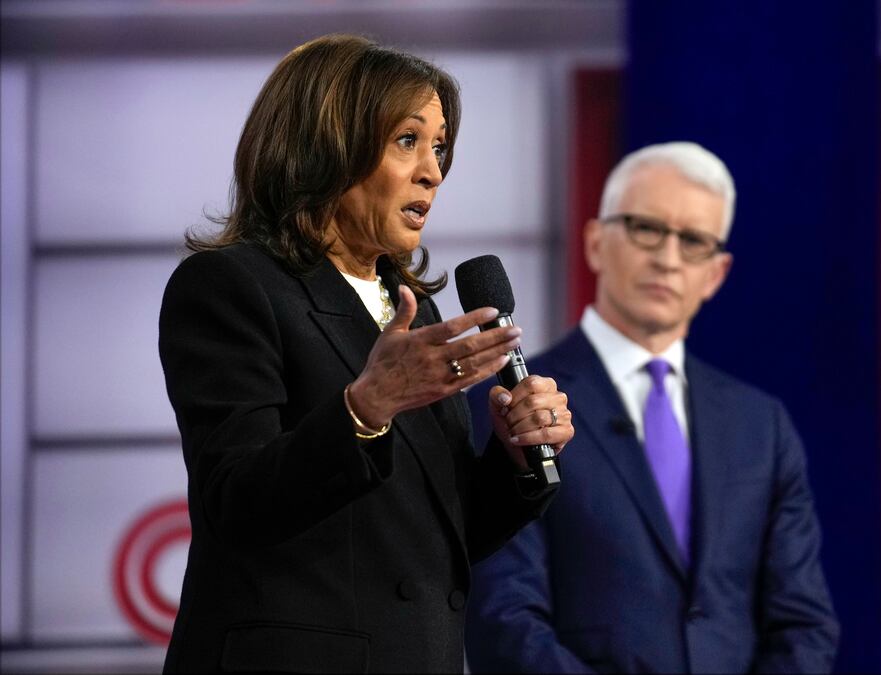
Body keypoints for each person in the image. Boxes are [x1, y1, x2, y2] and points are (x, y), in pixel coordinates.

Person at [157, 34, 573, 673]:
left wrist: (512, 461)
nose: (433, 169)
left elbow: (429, 543)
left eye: (439, 147)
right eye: (407, 140)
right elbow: (235, 504)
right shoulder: (232, 286)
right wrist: (365, 407)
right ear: (325, 144)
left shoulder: (410, 307)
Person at [464, 142, 839, 673]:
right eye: (646, 228)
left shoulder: (762, 426)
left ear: (716, 273)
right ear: (595, 242)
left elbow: (803, 624)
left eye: (693, 241)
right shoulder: (507, 405)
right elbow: (503, 620)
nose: (667, 256)